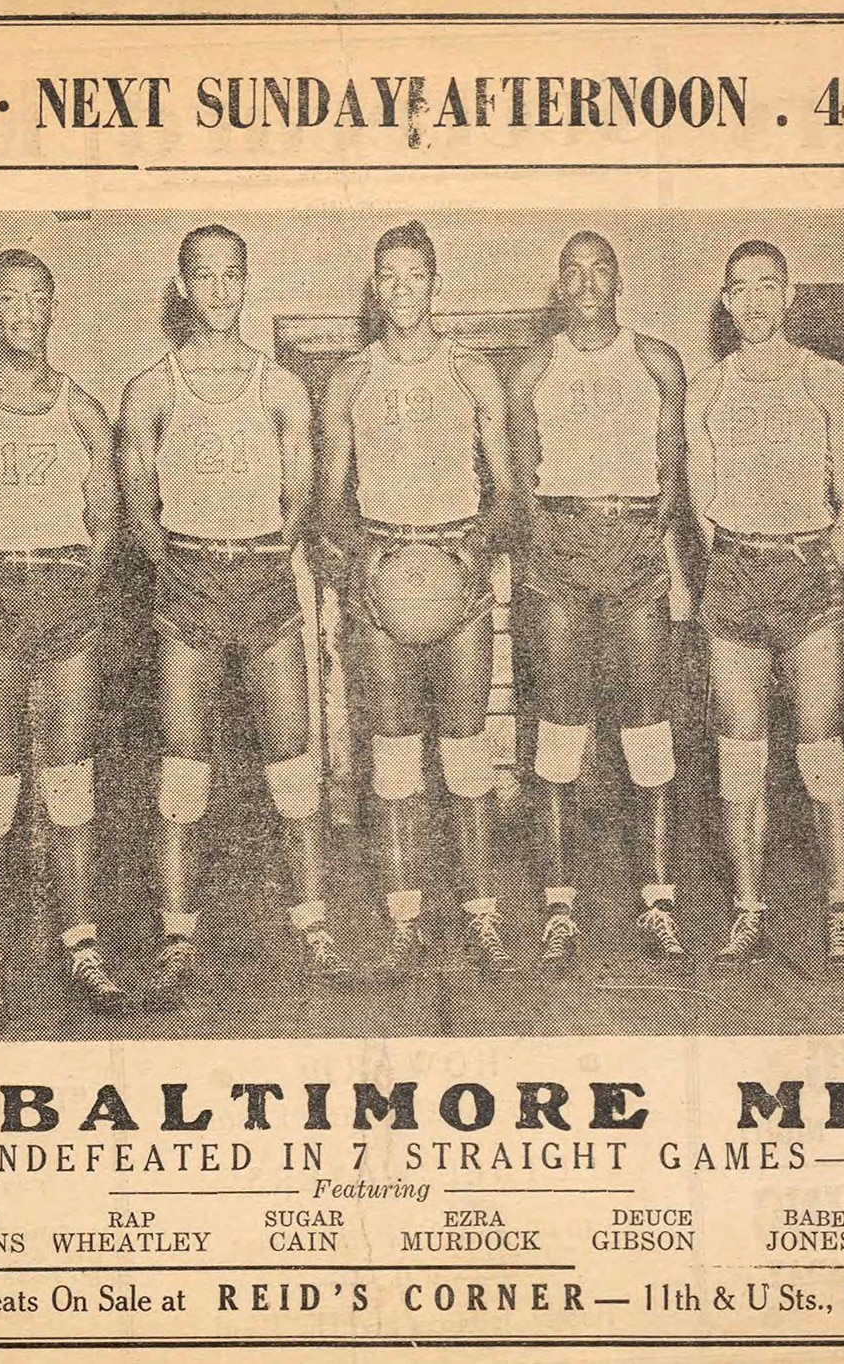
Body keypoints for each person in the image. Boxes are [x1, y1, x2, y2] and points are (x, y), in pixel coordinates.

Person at [118, 225, 346, 1011]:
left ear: (247, 283)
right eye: (204, 278)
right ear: (182, 287)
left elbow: (302, 498)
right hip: (188, 581)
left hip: (262, 583)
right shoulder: (151, 388)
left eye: (232, 277)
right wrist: (182, 569)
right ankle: (178, 935)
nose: (218, 292)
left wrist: (261, 560)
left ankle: (314, 924)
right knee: (183, 773)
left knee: (292, 764)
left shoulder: (281, 387)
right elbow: (136, 509)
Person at [0, 249, 125, 1031]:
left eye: (37, 298)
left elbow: (105, 523)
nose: (23, 312)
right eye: (8, 299)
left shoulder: (81, 407)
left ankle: (81, 945)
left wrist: (77, 584)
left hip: (63, 593)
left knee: (72, 783)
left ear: (52, 306)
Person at [320, 220, 520, 976]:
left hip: (459, 570)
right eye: (389, 277)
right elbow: (327, 499)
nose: (403, 290)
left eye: (416, 276)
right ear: (376, 288)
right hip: (383, 569)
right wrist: (357, 559)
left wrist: (477, 548)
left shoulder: (471, 374)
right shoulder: (351, 379)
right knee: (395, 758)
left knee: (468, 758)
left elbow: (508, 496)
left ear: (437, 285)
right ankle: (406, 919)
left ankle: (482, 914)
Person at [507, 232, 690, 972]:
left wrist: (643, 545)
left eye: (599, 269)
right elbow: (520, 482)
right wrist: (554, 550)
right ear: (558, 286)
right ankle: (560, 907)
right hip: (561, 556)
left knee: (649, 734)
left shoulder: (656, 360)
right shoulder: (531, 369)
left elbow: (673, 476)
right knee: (559, 736)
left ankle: (659, 904)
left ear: (619, 280)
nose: (586, 283)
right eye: (572, 271)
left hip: (635, 550)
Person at [686, 241, 844, 969]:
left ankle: (843, 907)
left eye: (769, 286)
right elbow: (701, 501)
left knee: (821, 751)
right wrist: (737, 557)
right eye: (740, 289)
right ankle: (749, 910)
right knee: (739, 757)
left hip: (808, 572)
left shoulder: (827, 380)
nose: (755, 300)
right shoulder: (707, 387)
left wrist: (823, 567)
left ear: (791, 295)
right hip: (736, 573)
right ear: (725, 302)